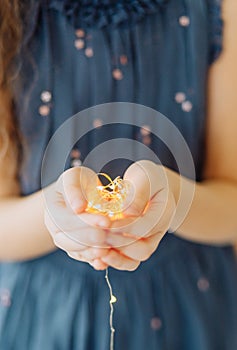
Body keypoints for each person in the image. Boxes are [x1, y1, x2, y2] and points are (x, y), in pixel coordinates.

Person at [0, 0, 237, 349]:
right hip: (46, 316)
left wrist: (172, 198)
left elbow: (231, 204)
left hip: (189, 307)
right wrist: (55, 212)